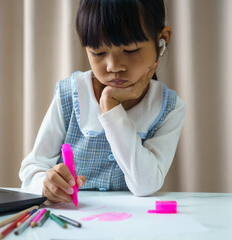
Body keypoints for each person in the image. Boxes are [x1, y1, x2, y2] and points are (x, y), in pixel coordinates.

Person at [19, 0, 185, 203]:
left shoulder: (168, 108)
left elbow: (146, 185)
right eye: (98, 53)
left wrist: (111, 106)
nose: (113, 67)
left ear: (162, 41)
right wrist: (46, 184)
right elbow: (31, 170)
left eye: (131, 50)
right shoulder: (70, 95)